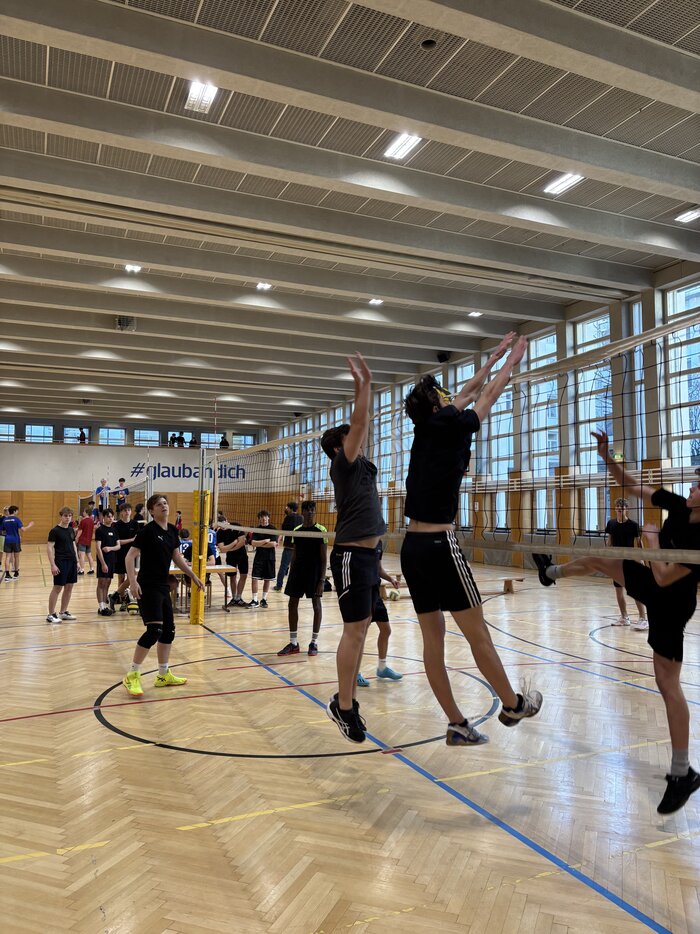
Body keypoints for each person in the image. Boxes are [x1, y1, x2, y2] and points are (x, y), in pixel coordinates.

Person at [533, 429, 699, 814]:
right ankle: (550, 574)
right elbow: (633, 486)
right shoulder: (678, 506)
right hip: (656, 584)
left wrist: (652, 542)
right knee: (598, 560)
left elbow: (662, 577)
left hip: (672, 604)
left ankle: (683, 772)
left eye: (698, 485)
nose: (691, 487)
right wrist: (607, 457)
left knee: (667, 684)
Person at [401, 333, 542, 747]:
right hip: (440, 547)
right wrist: (511, 362)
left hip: (411, 549)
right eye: (443, 394)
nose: (450, 395)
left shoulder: (427, 427)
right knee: (477, 633)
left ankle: (457, 723)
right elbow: (488, 395)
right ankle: (513, 703)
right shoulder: (452, 424)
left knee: (434, 640)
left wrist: (494, 355)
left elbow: (465, 392)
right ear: (436, 404)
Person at [321, 353, 386, 744]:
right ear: (338, 447)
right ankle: (343, 706)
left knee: (362, 629)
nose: (358, 438)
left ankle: (348, 700)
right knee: (353, 632)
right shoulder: (342, 465)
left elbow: (364, 427)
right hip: (349, 556)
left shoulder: (364, 466)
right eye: (350, 437)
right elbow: (360, 423)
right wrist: (364, 385)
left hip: (369, 556)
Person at [123, 494, 204, 698]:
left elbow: (176, 557)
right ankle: (132, 674)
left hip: (162, 585)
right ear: (151, 511)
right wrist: (132, 582)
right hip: (147, 586)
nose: (164, 506)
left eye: (165, 503)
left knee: (168, 631)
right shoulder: (148, 531)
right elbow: (129, 557)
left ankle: (163, 674)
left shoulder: (172, 531)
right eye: (159, 505)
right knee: (154, 631)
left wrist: (193, 575)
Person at [277, 501, 327, 656]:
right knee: (292, 604)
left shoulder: (321, 530)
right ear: (303, 512)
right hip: (298, 572)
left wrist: (321, 580)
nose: (311, 512)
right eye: (308, 510)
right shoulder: (297, 530)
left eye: (313, 510)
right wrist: (290, 573)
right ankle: (293, 643)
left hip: (314, 573)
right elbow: (295, 554)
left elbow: (324, 558)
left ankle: (314, 643)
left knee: (316, 605)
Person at [357, 544, 403, 685]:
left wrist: (391, 579)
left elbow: (379, 568)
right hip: (363, 592)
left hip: (375, 593)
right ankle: (355, 672)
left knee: (386, 630)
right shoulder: (361, 540)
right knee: (360, 634)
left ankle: (382, 668)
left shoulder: (378, 543)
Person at [605, 498, 647, 630]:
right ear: (615, 508)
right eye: (617, 507)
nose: (619, 509)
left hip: (630, 561)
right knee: (619, 591)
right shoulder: (611, 523)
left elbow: (639, 543)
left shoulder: (633, 525)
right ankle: (624, 617)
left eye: (622, 507)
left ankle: (643, 619)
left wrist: (643, 559)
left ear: (626, 509)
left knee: (634, 591)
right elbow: (609, 541)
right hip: (617, 562)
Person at [46, 506, 79, 623]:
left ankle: (63, 612)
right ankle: (51, 614)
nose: (68, 518)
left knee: (69, 587)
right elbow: (49, 548)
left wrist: (77, 561)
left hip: (72, 562)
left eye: (70, 516)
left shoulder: (71, 530)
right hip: (61, 562)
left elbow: (73, 545)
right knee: (57, 588)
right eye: (65, 516)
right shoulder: (55, 531)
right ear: (61, 516)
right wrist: (52, 565)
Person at [109, 503, 139, 611]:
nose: (127, 512)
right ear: (121, 512)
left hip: (133, 554)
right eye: (125, 510)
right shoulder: (116, 525)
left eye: (129, 510)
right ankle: (122, 600)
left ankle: (129, 598)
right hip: (121, 554)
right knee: (121, 577)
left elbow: (138, 539)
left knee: (132, 576)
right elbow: (118, 542)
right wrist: (131, 540)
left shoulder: (135, 524)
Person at [248, 510, 278, 608]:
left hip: (270, 557)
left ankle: (264, 599)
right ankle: (255, 600)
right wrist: (265, 541)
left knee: (267, 579)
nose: (263, 519)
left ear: (268, 517)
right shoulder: (257, 529)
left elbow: (273, 544)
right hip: (259, 557)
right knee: (254, 578)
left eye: (265, 516)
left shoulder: (273, 529)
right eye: (261, 517)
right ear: (259, 518)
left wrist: (260, 543)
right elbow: (253, 543)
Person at [217, 518, 249, 607]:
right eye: (220, 525)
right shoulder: (219, 533)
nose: (222, 527)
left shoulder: (237, 526)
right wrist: (234, 543)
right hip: (231, 557)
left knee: (244, 575)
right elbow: (222, 549)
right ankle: (234, 598)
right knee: (232, 577)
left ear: (226, 521)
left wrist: (230, 548)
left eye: (223, 524)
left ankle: (239, 598)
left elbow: (242, 542)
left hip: (242, 555)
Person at [94, 508, 120, 615]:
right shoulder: (100, 530)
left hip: (112, 560)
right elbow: (98, 548)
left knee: (108, 583)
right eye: (108, 516)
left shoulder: (114, 530)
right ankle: (101, 606)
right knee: (102, 582)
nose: (110, 518)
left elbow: (118, 546)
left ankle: (105, 605)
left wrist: (110, 548)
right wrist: (103, 563)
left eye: (111, 516)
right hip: (103, 560)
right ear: (103, 518)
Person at [274, 501, 302, 591]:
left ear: (290, 508)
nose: (286, 509)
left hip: (289, 546)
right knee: (296, 568)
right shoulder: (301, 517)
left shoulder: (288, 517)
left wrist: (278, 540)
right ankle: (295, 586)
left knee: (283, 566)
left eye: (287, 507)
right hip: (298, 547)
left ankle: (279, 585)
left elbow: (283, 530)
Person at [2, 505, 33, 581]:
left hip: (7, 540)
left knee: (7, 557)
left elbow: (2, 530)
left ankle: (7, 575)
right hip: (15, 540)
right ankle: (16, 573)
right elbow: (23, 529)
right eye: (17, 511)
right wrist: (29, 525)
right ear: (15, 511)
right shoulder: (16, 519)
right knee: (16, 557)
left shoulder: (5, 520)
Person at [75, 506, 96, 575]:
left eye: (84, 511)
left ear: (86, 513)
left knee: (82, 556)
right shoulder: (92, 521)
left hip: (82, 540)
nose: (83, 513)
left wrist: (76, 538)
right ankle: (92, 569)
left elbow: (80, 531)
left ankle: (81, 570)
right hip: (88, 541)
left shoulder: (83, 521)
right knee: (89, 555)